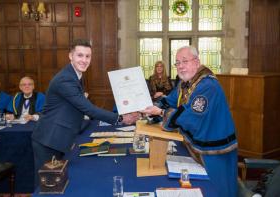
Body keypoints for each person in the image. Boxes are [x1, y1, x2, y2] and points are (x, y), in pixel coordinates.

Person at [31, 39, 139, 186]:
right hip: (49, 139)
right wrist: (120, 119)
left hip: (58, 137)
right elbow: (87, 108)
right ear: (70, 56)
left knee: (56, 184)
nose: (84, 60)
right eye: (80, 55)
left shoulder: (76, 75)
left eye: (87, 56)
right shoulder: (65, 79)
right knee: (47, 186)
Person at [142, 46, 238, 197]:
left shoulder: (208, 85)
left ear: (197, 62)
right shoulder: (185, 83)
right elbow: (171, 100)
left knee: (217, 190)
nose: (180, 66)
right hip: (196, 145)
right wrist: (154, 106)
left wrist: (160, 112)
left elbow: (190, 117)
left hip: (214, 151)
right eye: (177, 63)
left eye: (184, 61)